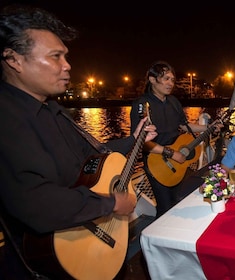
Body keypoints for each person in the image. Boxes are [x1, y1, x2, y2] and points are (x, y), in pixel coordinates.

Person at [0, 5, 157, 279]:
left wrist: (134, 139)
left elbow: (92, 156)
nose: (67, 65)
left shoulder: (53, 110)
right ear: (14, 60)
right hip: (45, 263)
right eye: (56, 57)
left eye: (66, 56)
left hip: (83, 242)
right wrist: (110, 204)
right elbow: (36, 202)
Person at [130, 61, 222, 218]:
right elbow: (140, 141)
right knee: (165, 207)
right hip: (157, 160)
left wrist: (209, 127)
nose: (170, 83)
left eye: (172, 80)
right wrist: (170, 153)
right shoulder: (142, 104)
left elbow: (184, 126)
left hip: (177, 160)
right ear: (152, 80)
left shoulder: (173, 101)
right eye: (166, 78)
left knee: (176, 201)